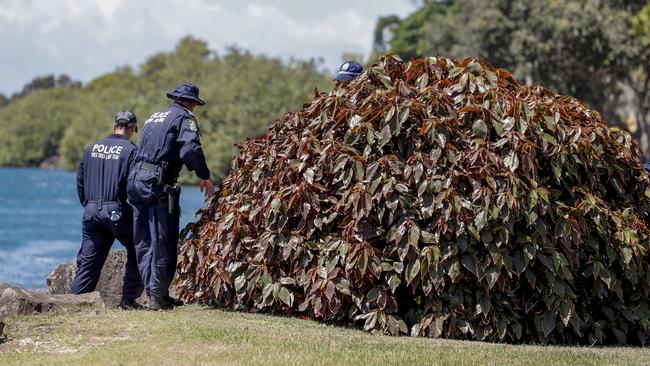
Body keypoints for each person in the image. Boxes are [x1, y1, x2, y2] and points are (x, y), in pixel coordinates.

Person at [127, 82, 215, 311]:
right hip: (157, 185)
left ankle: (155, 293)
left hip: (136, 181)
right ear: (192, 103)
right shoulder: (185, 118)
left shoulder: (154, 117)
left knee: (143, 241)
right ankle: (158, 298)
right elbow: (190, 149)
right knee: (164, 240)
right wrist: (203, 175)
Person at [72, 110, 144, 310]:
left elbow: (80, 182)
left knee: (88, 262)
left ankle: (74, 303)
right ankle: (128, 300)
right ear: (133, 129)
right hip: (116, 210)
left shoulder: (91, 148)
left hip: (91, 210)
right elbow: (135, 187)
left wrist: (89, 205)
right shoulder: (131, 150)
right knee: (139, 247)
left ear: (114, 126)